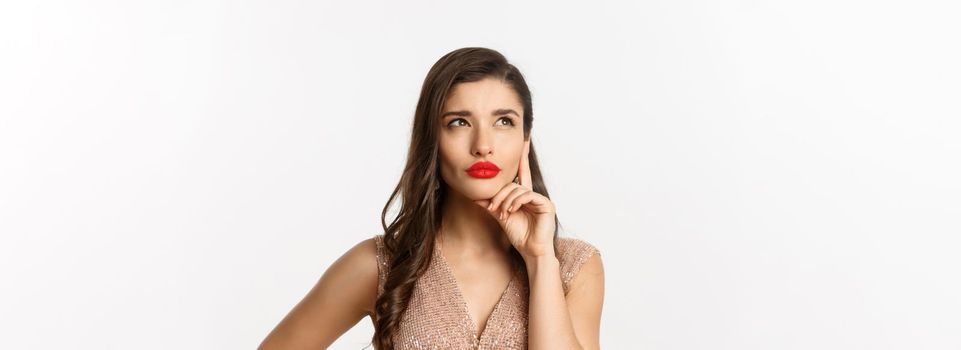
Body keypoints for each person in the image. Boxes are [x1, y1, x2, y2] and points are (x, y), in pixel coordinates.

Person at [258, 47, 604, 350]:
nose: (483, 144)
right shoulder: (380, 264)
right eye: (458, 122)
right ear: (432, 139)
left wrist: (540, 259)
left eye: (503, 121)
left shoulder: (574, 266)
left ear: (525, 138)